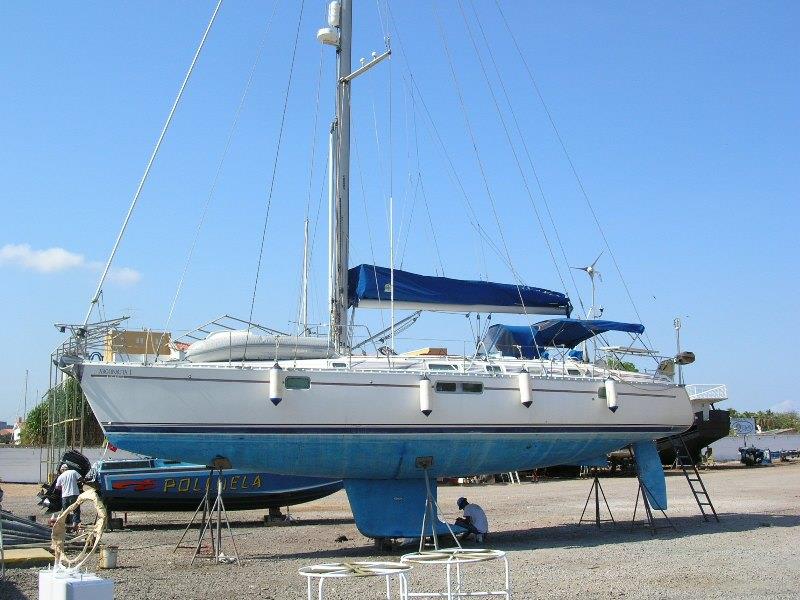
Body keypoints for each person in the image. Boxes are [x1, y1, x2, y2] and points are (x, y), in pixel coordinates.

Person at [55, 464, 82, 530]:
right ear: (67, 468)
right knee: (76, 510)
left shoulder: (60, 476)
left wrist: (63, 488)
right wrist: (78, 483)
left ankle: (66, 525)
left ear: (62, 470)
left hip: (65, 496)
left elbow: (57, 487)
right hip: (74, 494)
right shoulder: (73, 472)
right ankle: (75, 525)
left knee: (66, 511)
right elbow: (81, 479)